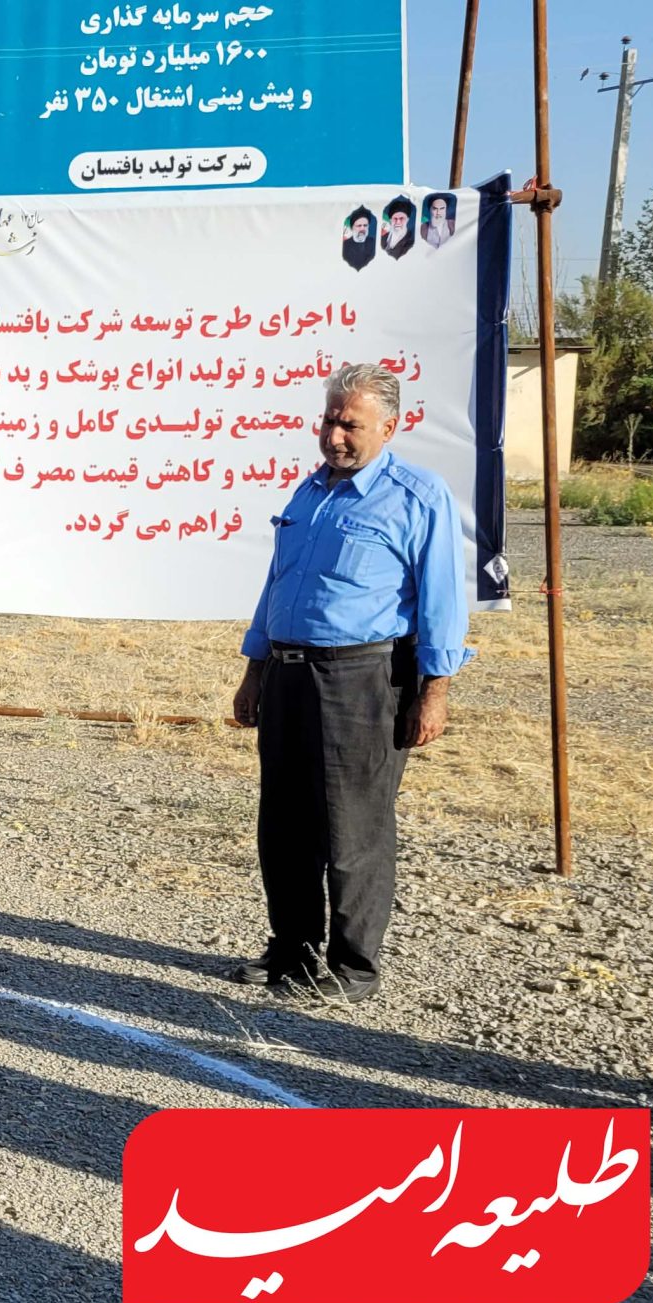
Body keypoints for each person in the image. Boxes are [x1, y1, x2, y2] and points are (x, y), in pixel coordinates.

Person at [229, 362, 470, 1003]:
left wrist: (434, 692)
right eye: (330, 421)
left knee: (352, 827)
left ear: (389, 427)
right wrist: (255, 670)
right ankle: (293, 951)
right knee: (284, 824)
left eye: (351, 425)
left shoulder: (418, 496)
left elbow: (442, 599)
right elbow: (276, 588)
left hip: (362, 678)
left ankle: (353, 967)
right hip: (287, 674)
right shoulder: (309, 492)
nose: (335, 436)